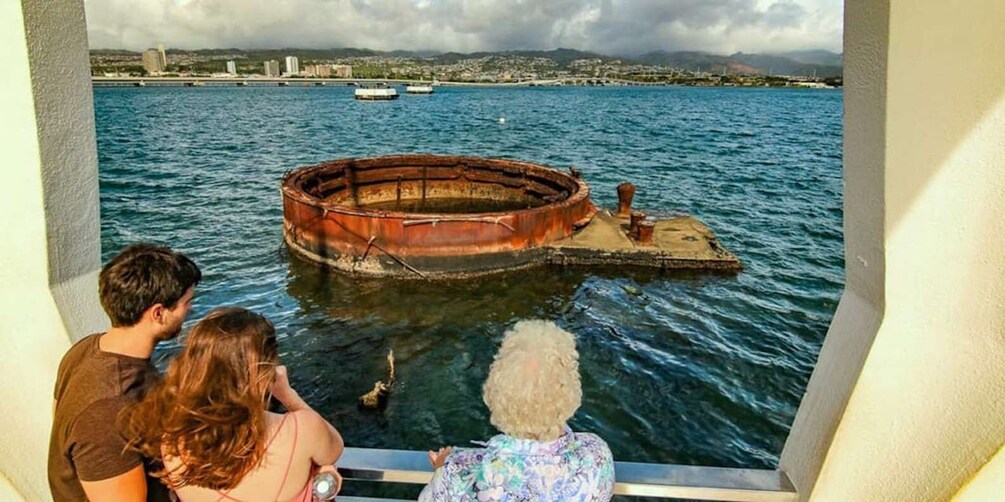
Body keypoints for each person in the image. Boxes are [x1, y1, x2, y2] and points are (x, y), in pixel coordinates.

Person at [126, 307, 345, 501]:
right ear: (264, 368)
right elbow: (335, 447)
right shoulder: (303, 430)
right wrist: (288, 395)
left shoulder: (173, 441)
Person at [49, 243, 201, 501]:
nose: (190, 310)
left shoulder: (85, 349)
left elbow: (59, 418)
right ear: (158, 313)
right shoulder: (110, 410)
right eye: (187, 302)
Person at [420, 320, 616, 501]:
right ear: (570, 391)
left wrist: (441, 470)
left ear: (496, 392)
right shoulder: (597, 456)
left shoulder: (459, 470)